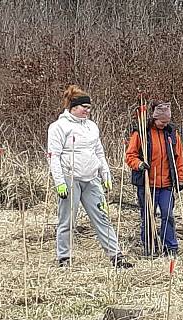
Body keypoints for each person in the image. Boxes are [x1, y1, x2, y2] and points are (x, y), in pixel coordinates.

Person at [47, 85, 133, 268]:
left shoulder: (92, 127)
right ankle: (64, 258)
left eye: (89, 107)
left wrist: (106, 174)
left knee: (102, 217)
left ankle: (116, 256)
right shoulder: (58, 127)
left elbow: (99, 152)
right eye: (83, 107)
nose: (87, 110)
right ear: (73, 107)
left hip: (91, 180)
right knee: (67, 220)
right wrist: (59, 182)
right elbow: (53, 156)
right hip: (70, 179)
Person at [126, 101, 183, 258]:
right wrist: (139, 164)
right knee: (148, 215)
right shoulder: (141, 133)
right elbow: (130, 156)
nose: (165, 124)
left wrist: (180, 179)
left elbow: (179, 159)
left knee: (168, 215)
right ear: (154, 118)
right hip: (147, 183)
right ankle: (150, 246)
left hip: (166, 184)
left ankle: (170, 247)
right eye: (162, 121)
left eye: (167, 121)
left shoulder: (172, 134)